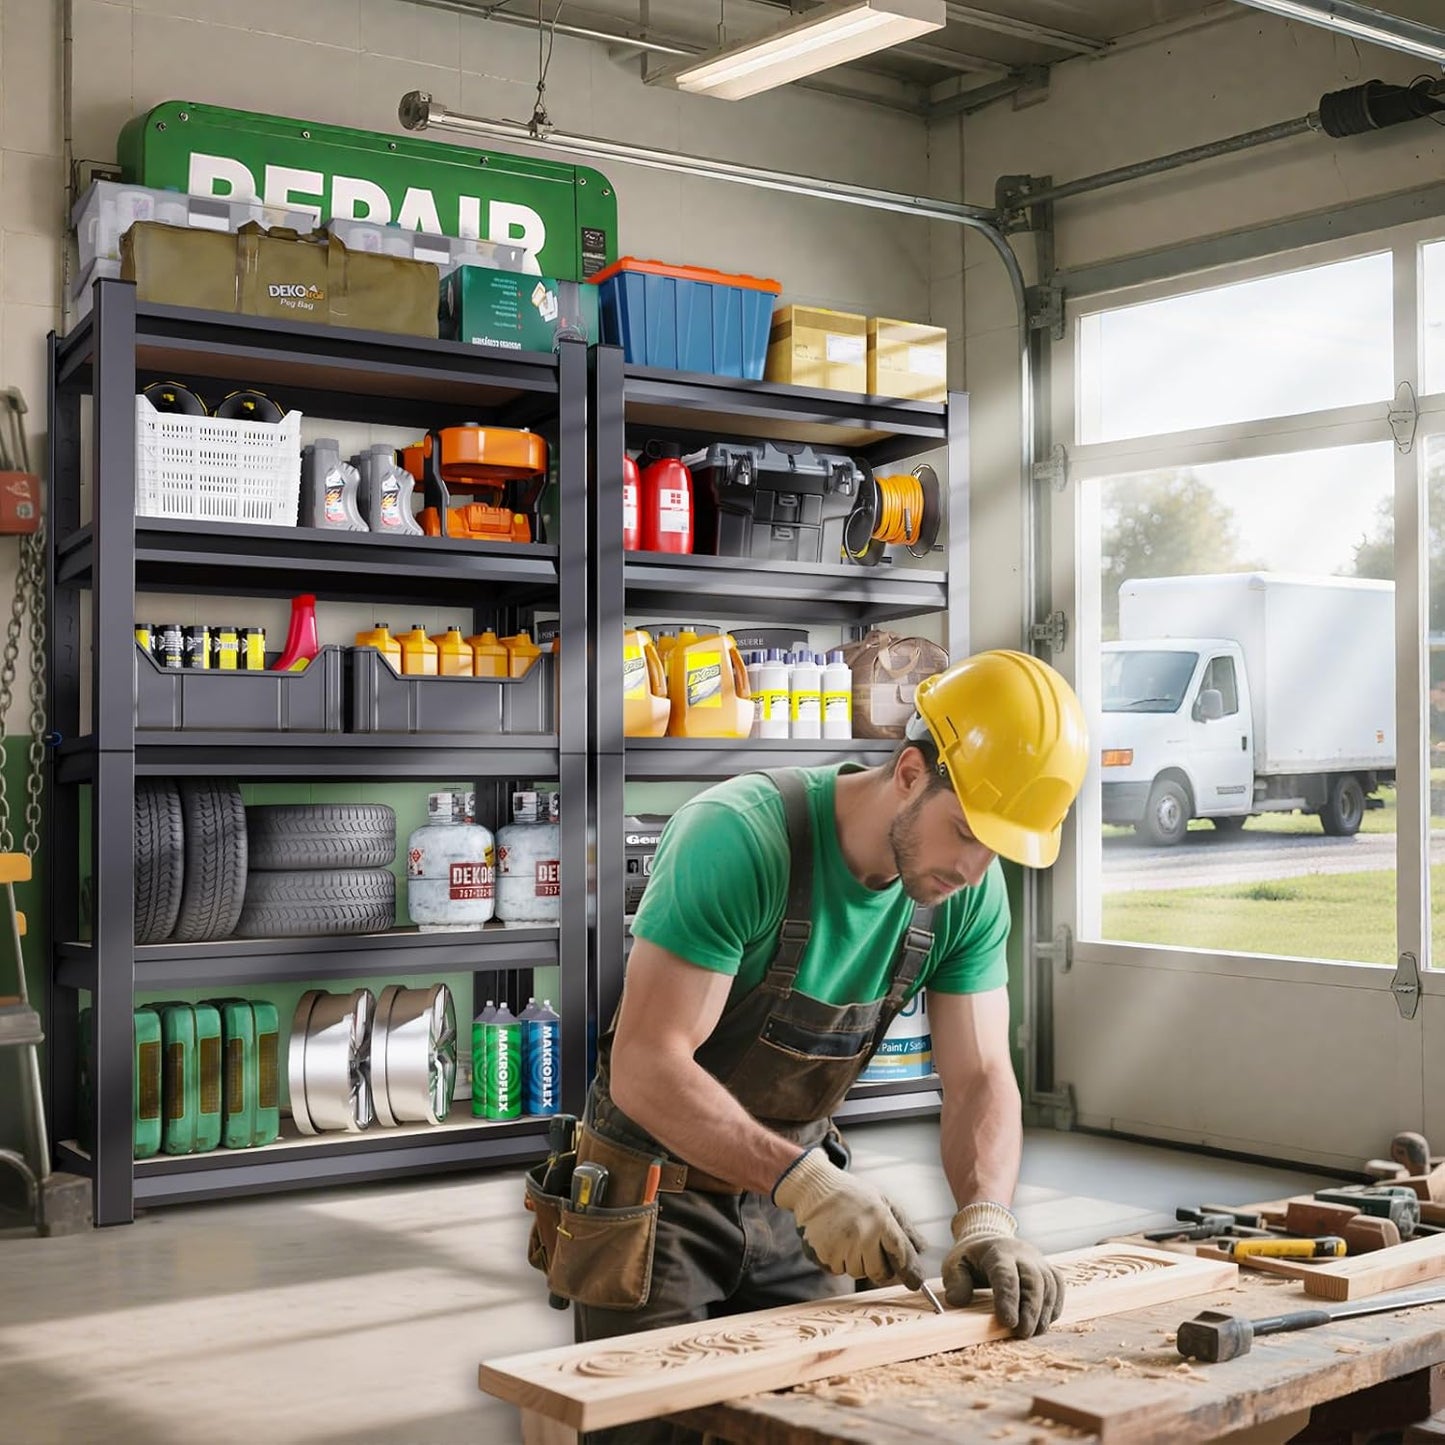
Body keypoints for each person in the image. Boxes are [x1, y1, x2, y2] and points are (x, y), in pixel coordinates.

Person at [561, 650, 1088, 1443]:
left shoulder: (965, 889)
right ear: (909, 771)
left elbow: (980, 1074)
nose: (974, 866)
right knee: (653, 1428)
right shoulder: (738, 838)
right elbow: (644, 1066)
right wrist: (803, 1182)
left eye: (998, 848)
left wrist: (985, 1217)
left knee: (809, 1422)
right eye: (967, 831)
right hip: (655, 1198)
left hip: (794, 1201)